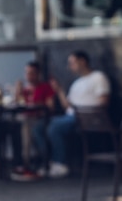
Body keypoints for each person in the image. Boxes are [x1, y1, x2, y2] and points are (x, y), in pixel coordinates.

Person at [33, 50, 110, 178]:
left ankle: (60, 163)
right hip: (70, 115)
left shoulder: (98, 77)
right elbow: (67, 106)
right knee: (39, 127)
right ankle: (48, 162)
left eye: (72, 63)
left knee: (55, 127)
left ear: (82, 61)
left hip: (88, 117)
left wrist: (84, 111)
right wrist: (59, 90)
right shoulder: (77, 83)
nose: (70, 66)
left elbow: (103, 102)